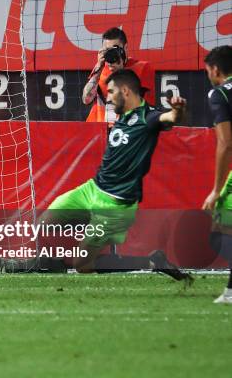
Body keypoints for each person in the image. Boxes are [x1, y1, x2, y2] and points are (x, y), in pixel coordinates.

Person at [45, 69, 192, 284]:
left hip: (114, 204)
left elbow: (171, 117)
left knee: (82, 266)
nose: (109, 96)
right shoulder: (123, 117)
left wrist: (178, 110)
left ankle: (151, 262)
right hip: (92, 189)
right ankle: (87, 232)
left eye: (111, 91)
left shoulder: (148, 117)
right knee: (47, 220)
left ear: (125, 91)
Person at [201, 45, 232, 304]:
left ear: (215, 70)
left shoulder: (219, 93)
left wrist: (216, 189)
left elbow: (225, 143)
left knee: (219, 232)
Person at [83, 27, 155, 125]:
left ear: (125, 48)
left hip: (125, 130)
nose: (112, 54)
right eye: (108, 50)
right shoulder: (101, 68)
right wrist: (98, 68)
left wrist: (120, 71)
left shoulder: (142, 68)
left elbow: (142, 107)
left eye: (115, 49)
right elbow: (86, 99)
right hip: (97, 130)